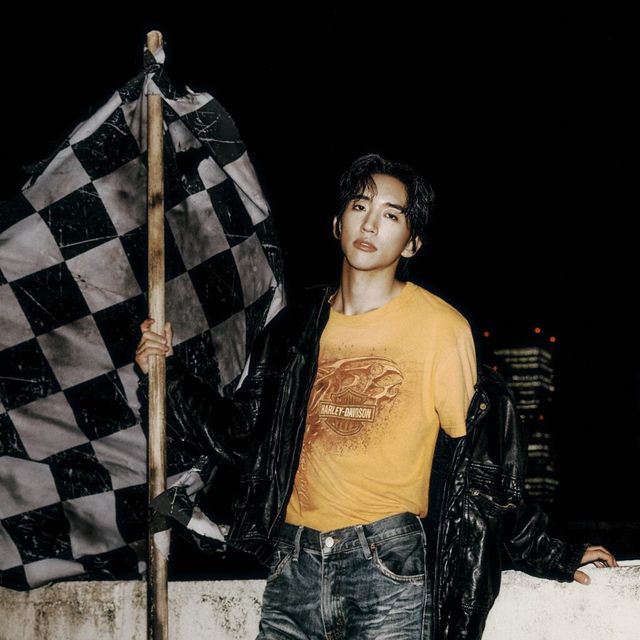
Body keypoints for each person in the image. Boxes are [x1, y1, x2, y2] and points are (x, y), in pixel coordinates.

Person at [134, 153, 617, 639]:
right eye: (360, 206)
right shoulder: (295, 330)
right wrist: (164, 375)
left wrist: (551, 550)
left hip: (386, 565)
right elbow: (243, 434)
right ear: (337, 222)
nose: (370, 224)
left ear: (412, 242)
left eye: (391, 215)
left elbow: (480, 466)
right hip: (292, 565)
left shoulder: (440, 328)